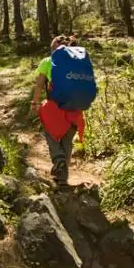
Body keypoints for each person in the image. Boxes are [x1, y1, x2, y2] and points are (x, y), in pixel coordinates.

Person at [30, 35, 86, 187]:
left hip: (55, 108)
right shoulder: (79, 61)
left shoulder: (48, 62)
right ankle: (62, 177)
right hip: (75, 108)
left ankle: (58, 159)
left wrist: (34, 103)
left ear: (54, 47)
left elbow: (40, 85)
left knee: (51, 135)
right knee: (67, 141)